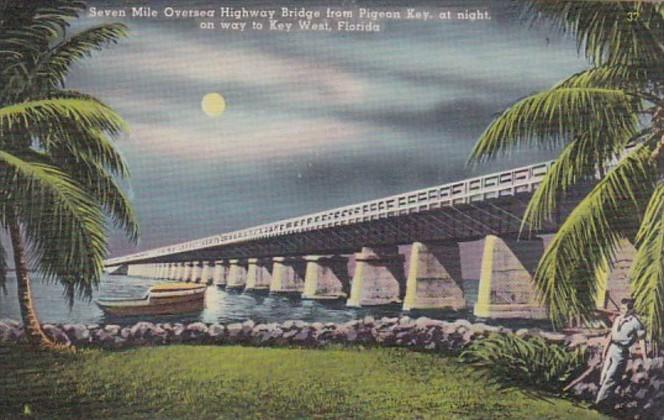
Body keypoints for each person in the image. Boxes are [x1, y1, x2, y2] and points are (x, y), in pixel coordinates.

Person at [595, 298, 648, 406]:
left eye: (624, 308)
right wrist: (605, 350)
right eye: (621, 308)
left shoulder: (636, 323)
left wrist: (645, 356)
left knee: (611, 377)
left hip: (622, 351)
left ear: (630, 310)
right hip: (612, 348)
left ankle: (599, 402)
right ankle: (600, 399)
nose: (621, 310)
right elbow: (611, 336)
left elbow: (642, 340)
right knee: (604, 374)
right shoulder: (618, 319)